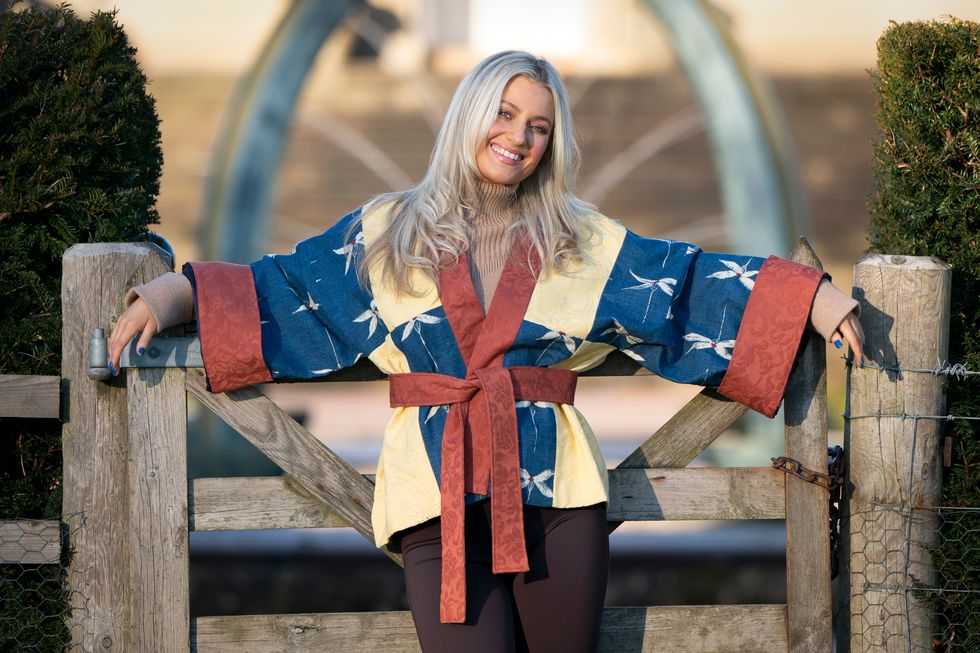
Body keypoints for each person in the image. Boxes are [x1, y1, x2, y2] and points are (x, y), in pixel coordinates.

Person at [108, 50, 864, 653]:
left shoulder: (581, 240)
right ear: (469, 115)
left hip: (560, 498)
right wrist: (174, 295)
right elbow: (283, 289)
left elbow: (685, 288)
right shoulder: (388, 232)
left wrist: (812, 298)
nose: (519, 136)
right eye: (504, 113)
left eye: (539, 125)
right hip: (432, 495)